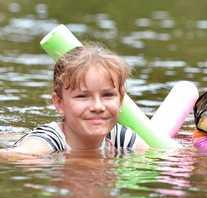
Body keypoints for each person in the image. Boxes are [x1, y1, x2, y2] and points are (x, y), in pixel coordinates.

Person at [1, 44, 146, 156]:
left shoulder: (121, 138)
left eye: (107, 95)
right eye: (82, 96)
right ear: (59, 103)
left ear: (120, 99)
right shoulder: (46, 142)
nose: (98, 106)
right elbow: (15, 156)